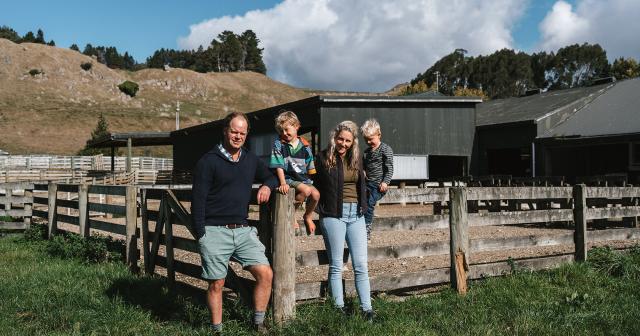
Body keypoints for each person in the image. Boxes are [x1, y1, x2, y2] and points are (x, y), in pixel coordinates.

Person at [191, 112, 278, 333]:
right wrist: (201, 235)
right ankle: (217, 328)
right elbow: (198, 201)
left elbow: (271, 176)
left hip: (242, 230)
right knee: (217, 283)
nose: (238, 136)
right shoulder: (208, 161)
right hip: (213, 231)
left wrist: (267, 185)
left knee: (265, 273)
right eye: (234, 131)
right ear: (225, 131)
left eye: (242, 132)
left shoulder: (250, 160)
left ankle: (258, 322)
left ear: (247, 134)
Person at [313, 120, 374, 321]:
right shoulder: (322, 158)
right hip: (333, 216)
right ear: (334, 137)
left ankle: (367, 310)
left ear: (353, 142)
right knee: (336, 265)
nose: (343, 144)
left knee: (361, 265)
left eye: (348, 141)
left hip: (356, 215)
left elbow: (364, 183)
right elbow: (311, 182)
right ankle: (338, 308)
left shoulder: (356, 158)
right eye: (341, 139)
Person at [269, 110, 319, 235]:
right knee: (306, 191)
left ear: (297, 126)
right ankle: (292, 214)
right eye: (281, 131)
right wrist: (282, 183)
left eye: (286, 129)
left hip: (302, 178)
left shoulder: (305, 145)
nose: (284, 133)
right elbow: (278, 166)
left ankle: (307, 216)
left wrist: (310, 180)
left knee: (316, 195)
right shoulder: (279, 145)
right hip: (288, 178)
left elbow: (310, 164)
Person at [361, 119, 394, 241]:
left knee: (369, 203)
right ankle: (360, 225)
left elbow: (389, 167)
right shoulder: (366, 152)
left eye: (371, 139)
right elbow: (363, 166)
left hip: (379, 184)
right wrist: (363, 171)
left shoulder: (385, 149)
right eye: (366, 140)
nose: (369, 142)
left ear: (379, 135)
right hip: (368, 183)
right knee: (361, 203)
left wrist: (385, 182)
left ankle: (367, 229)